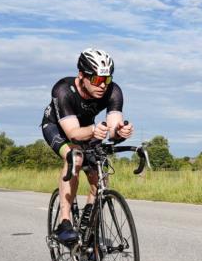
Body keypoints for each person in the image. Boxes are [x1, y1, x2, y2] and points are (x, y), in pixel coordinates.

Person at [41, 48, 133, 245]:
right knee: (75, 156)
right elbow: (73, 133)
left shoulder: (113, 91)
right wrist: (93, 130)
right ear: (81, 76)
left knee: (100, 174)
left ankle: (87, 226)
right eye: (97, 80)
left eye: (107, 79)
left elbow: (114, 126)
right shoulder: (63, 90)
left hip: (87, 128)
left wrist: (120, 132)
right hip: (57, 127)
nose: (103, 85)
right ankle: (64, 222)